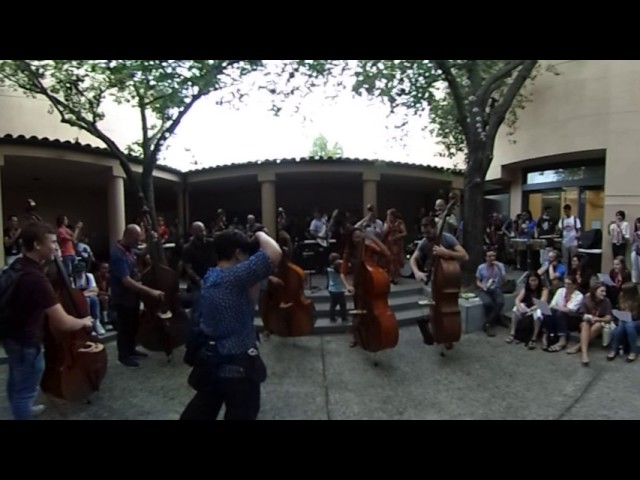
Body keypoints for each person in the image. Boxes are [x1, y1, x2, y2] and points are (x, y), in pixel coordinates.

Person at [180, 230, 282, 420]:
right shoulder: (234, 277)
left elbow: (251, 297)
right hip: (238, 363)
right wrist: (259, 234)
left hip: (211, 361)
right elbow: (275, 252)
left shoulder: (211, 276)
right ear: (237, 253)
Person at [2, 222, 93, 420]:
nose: (56, 247)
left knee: (16, 380)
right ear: (36, 245)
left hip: (11, 336)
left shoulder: (18, 264)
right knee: (25, 389)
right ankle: (22, 411)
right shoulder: (36, 279)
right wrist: (84, 321)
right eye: (52, 242)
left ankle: (23, 407)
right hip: (27, 341)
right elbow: (63, 323)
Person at [109, 224, 165, 368]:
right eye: (136, 239)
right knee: (124, 327)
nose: (137, 242)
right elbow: (126, 281)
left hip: (132, 297)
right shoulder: (117, 254)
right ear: (128, 236)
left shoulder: (128, 249)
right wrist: (150, 291)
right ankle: (123, 356)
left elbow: (141, 254)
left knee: (133, 324)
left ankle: (131, 349)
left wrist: (152, 243)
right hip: (122, 297)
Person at [409, 216, 468, 345]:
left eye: (428, 232)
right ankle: (437, 331)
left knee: (447, 306)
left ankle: (448, 333)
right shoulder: (425, 242)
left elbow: (465, 256)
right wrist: (417, 272)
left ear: (435, 228)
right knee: (435, 307)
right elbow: (413, 259)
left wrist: (446, 252)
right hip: (435, 279)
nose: (426, 236)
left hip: (449, 277)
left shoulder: (447, 238)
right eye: (424, 233)